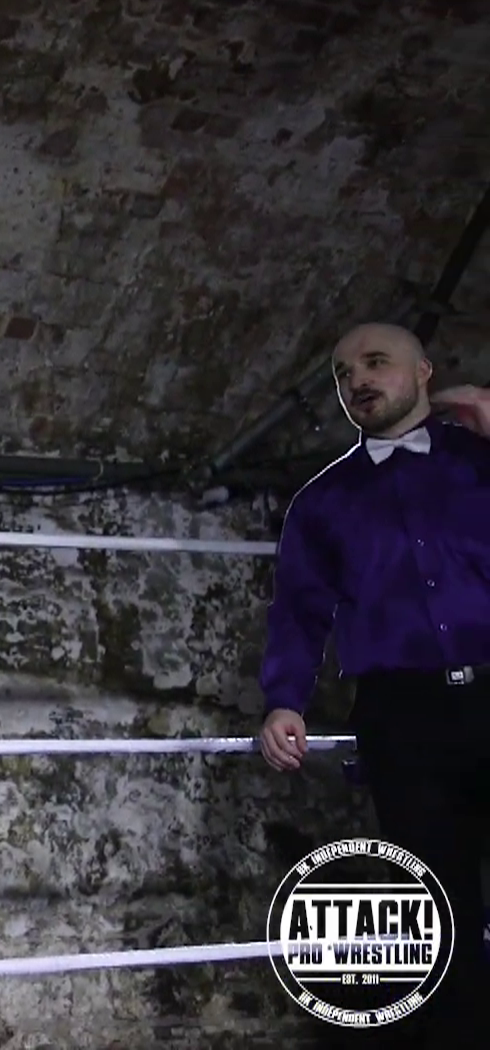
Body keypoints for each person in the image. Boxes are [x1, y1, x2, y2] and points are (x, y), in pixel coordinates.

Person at [255, 322, 490, 1046]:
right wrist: (285, 699)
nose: (357, 380)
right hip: (403, 715)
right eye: (342, 373)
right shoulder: (321, 503)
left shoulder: (483, 461)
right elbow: (298, 611)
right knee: (439, 906)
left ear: (423, 372)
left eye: (376, 362)